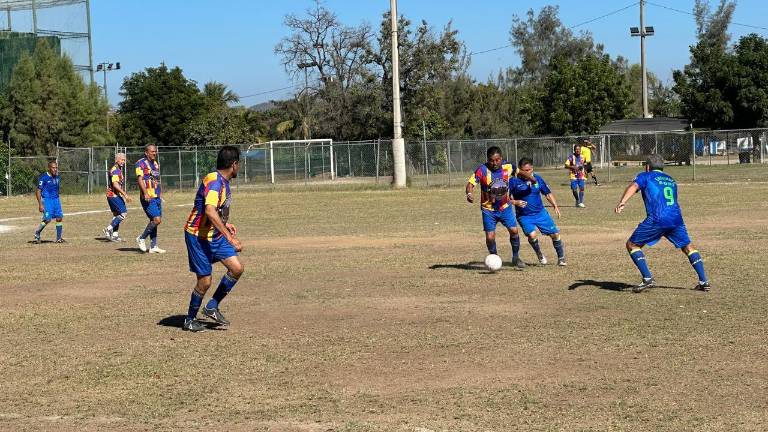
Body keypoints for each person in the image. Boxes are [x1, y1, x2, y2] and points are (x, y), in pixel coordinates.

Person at [614, 154, 710, 293]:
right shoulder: (671, 180)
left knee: (632, 244)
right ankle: (704, 281)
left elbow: (634, 186)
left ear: (647, 167)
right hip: (676, 218)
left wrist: (622, 202)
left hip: (658, 218)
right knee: (688, 247)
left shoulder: (645, 176)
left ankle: (647, 278)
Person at [182, 146, 245, 332]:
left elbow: (215, 211)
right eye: (238, 164)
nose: (239, 168)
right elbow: (209, 210)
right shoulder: (216, 182)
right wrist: (230, 238)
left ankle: (212, 306)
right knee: (205, 281)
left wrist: (226, 224)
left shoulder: (222, 181)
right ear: (234, 164)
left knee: (236, 268)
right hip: (198, 236)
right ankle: (189, 319)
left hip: (214, 235)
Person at [466, 146, 529, 269]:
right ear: (488, 160)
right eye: (491, 160)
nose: (494, 163)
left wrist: (531, 178)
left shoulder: (508, 166)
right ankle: (494, 257)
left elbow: (519, 172)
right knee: (490, 237)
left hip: (505, 207)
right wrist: (469, 193)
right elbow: (470, 184)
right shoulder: (482, 170)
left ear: (501, 158)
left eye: (497, 160)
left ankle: (516, 257)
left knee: (514, 231)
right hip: (488, 209)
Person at [509, 157, 567, 266]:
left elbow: (547, 193)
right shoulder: (513, 181)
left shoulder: (538, 179)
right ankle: (539, 254)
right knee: (532, 235)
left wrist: (555, 206)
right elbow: (504, 199)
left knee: (555, 234)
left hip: (540, 213)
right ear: (519, 170)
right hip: (524, 216)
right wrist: (515, 202)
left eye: (529, 170)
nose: (526, 173)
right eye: (524, 170)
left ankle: (561, 258)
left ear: (532, 169)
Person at [135, 144, 165, 253]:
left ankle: (153, 246)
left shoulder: (155, 164)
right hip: (147, 197)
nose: (154, 153)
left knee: (155, 221)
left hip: (156, 196)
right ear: (146, 152)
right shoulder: (140, 163)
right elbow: (140, 179)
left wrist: (160, 194)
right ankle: (141, 238)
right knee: (157, 219)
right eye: (152, 152)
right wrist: (145, 193)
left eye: (155, 151)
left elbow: (156, 179)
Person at [33, 160, 64, 244]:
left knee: (59, 217)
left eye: (56, 168)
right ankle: (37, 233)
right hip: (47, 200)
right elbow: (38, 191)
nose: (55, 169)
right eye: (53, 168)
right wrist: (40, 204)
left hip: (56, 200)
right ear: (49, 168)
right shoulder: (44, 178)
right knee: (47, 219)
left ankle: (58, 238)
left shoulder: (57, 177)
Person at [103, 153, 132, 242]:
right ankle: (108, 229)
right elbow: (115, 185)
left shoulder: (118, 169)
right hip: (113, 195)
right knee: (123, 213)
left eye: (124, 160)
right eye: (121, 159)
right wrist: (125, 194)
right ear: (116, 160)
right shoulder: (115, 170)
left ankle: (115, 235)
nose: (123, 161)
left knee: (116, 214)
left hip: (113, 195)